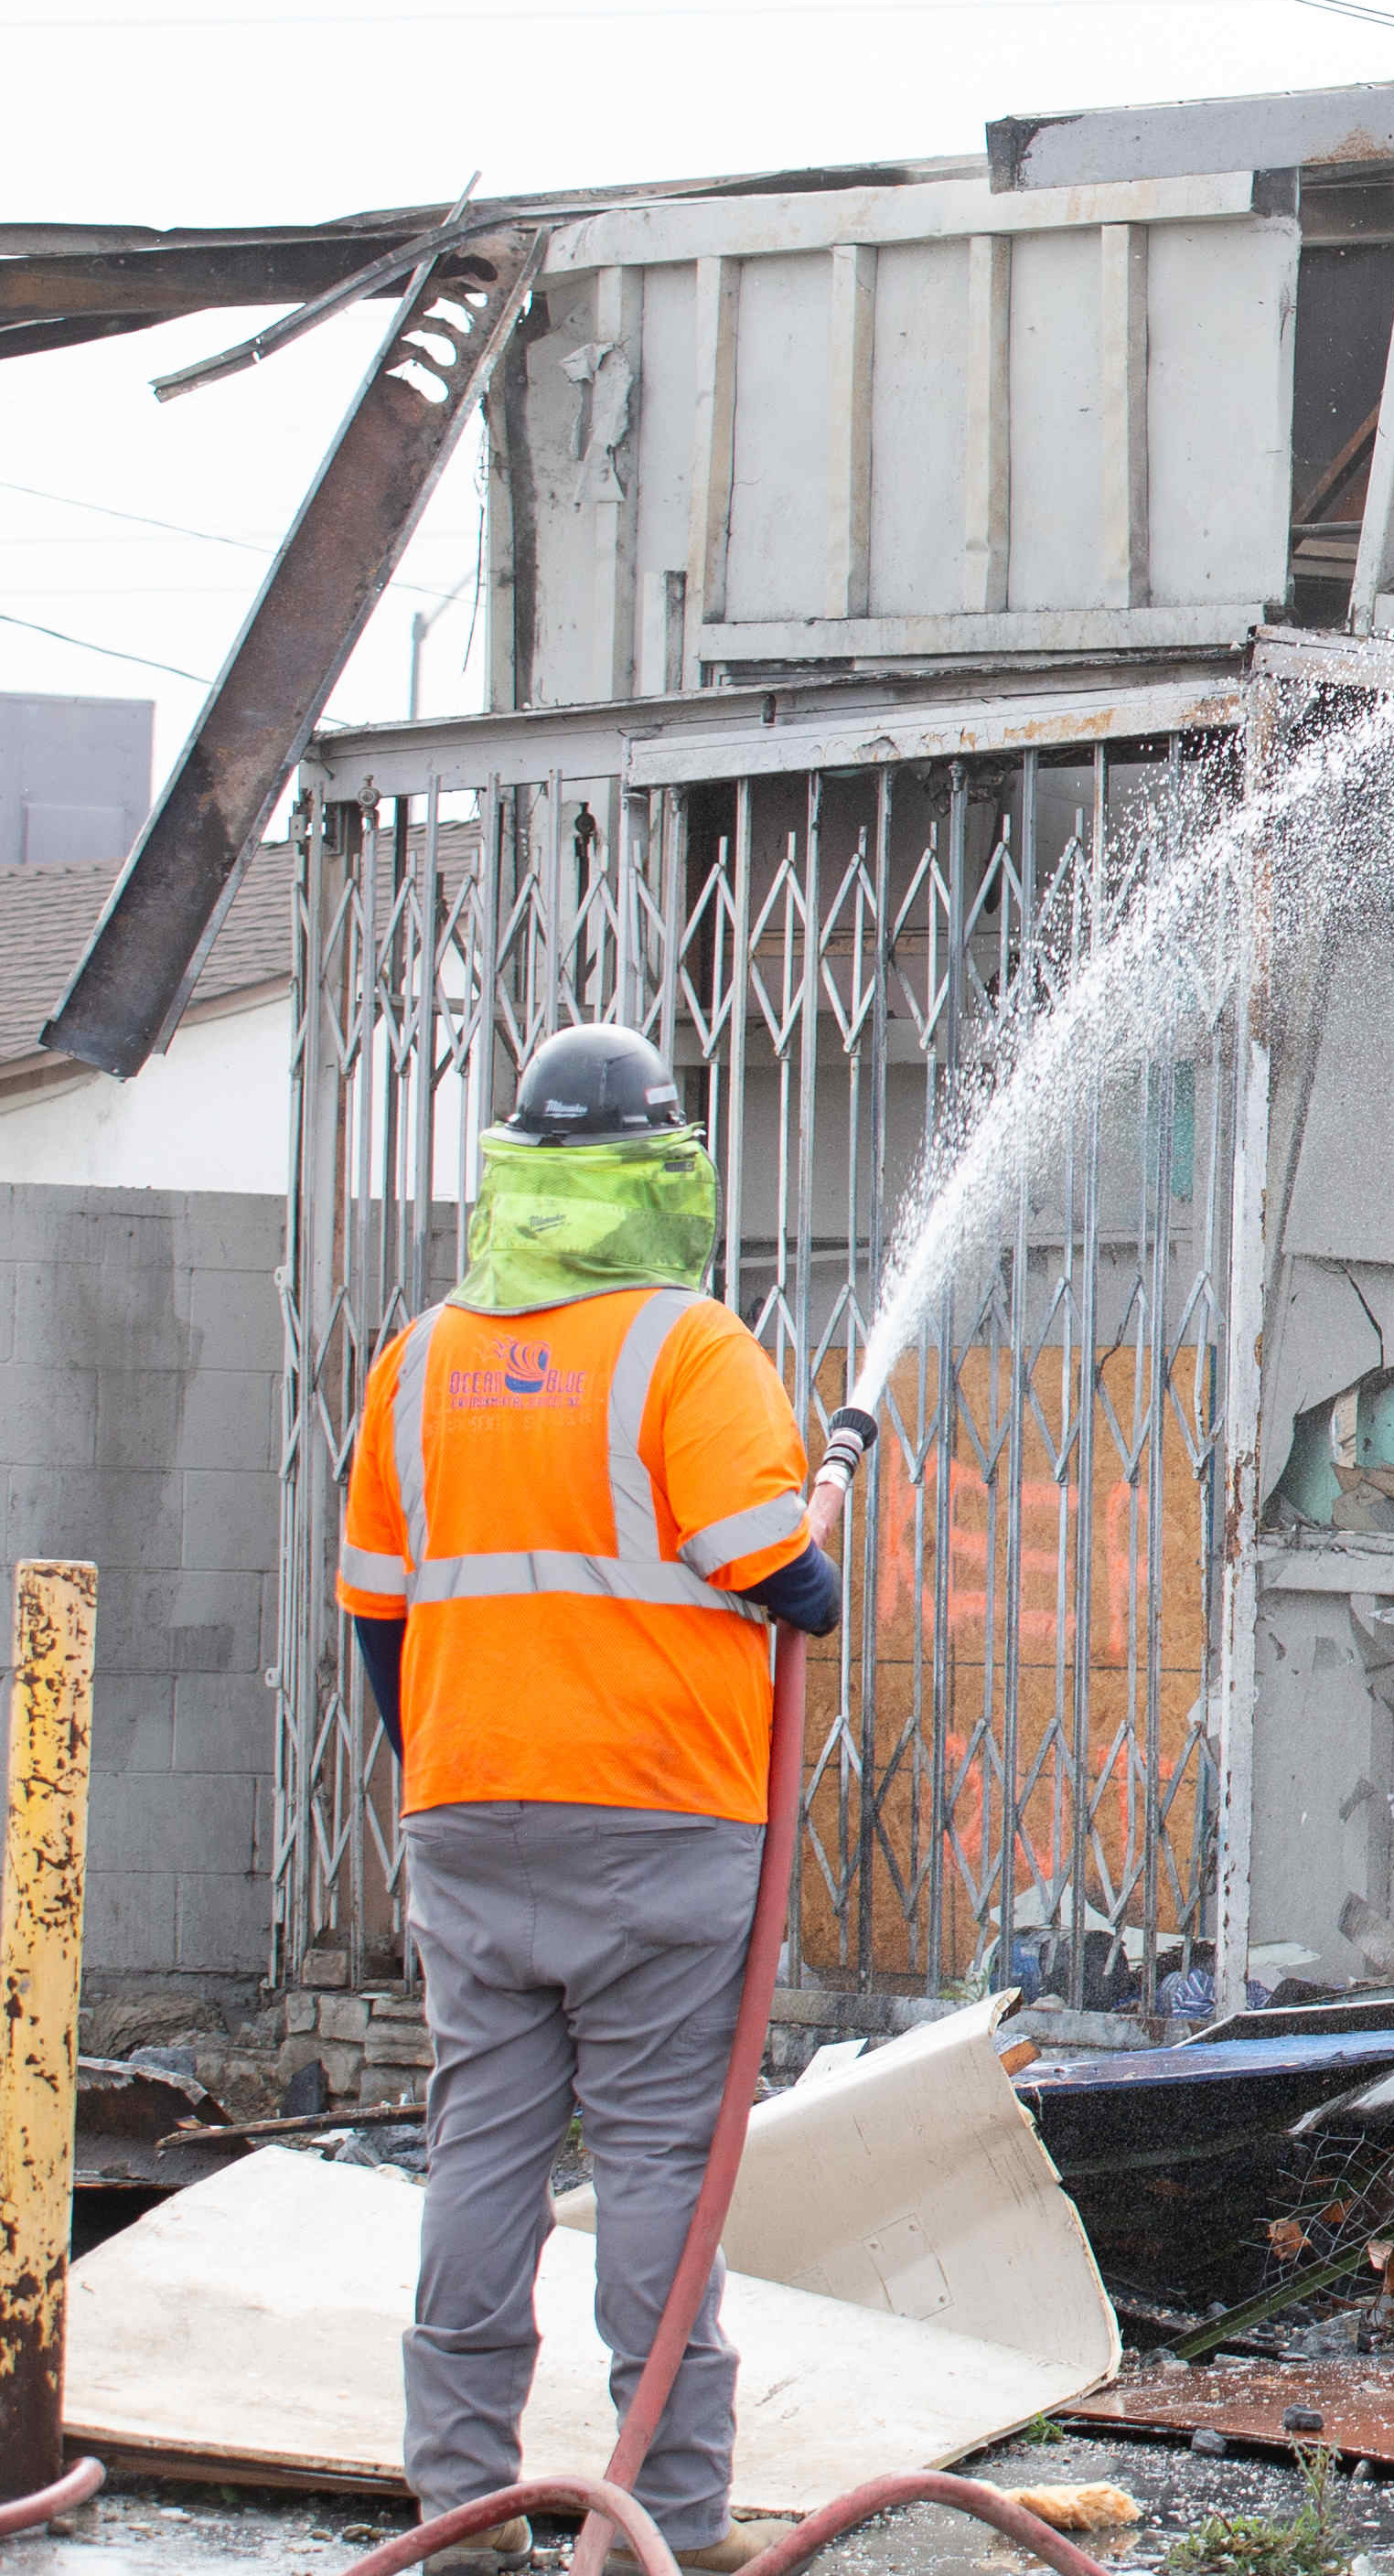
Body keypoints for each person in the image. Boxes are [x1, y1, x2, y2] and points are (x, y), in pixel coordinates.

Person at [336, 1023, 842, 2571]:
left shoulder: (418, 1359)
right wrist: (826, 1504)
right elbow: (787, 1586)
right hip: (662, 1822)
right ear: (663, 1170)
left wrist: (444, 1775)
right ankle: (662, 2522)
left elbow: (376, 1607)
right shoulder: (691, 1351)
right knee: (657, 2175)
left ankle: (458, 2511)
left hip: (470, 1817)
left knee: (481, 2150)